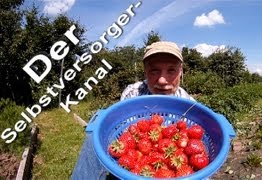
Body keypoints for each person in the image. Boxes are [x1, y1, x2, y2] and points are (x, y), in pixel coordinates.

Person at [71, 41, 194, 180]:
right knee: (94, 138)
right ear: (145, 71)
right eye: (154, 70)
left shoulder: (189, 105)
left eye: (171, 70)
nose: (162, 80)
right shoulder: (133, 93)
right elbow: (127, 138)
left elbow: (192, 152)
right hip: (135, 168)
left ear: (181, 70)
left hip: (171, 171)